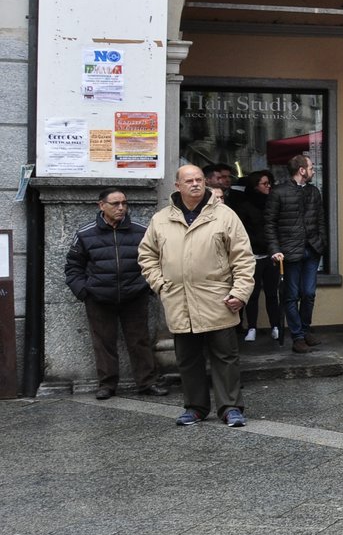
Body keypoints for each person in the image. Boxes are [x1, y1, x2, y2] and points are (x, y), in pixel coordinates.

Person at [137, 164, 255, 427]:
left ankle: (231, 408)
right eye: (188, 180)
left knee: (225, 357)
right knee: (188, 358)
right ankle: (195, 407)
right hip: (179, 299)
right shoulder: (161, 219)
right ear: (177, 186)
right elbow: (147, 256)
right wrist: (160, 284)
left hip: (218, 298)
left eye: (199, 179)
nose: (195, 184)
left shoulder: (225, 215)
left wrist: (240, 292)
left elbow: (243, 258)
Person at [65, 187, 159, 399]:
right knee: (103, 342)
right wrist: (84, 291)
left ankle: (147, 382)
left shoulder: (140, 231)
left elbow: (155, 261)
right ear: (101, 206)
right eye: (115, 204)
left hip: (134, 295)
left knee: (140, 341)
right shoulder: (85, 233)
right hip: (99, 297)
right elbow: (73, 267)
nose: (121, 208)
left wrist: (148, 287)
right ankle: (107, 384)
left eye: (124, 203)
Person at [265, 153, 325, 354]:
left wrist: (321, 243)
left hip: (312, 249)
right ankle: (298, 336)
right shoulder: (279, 192)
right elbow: (270, 224)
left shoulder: (314, 192)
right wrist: (275, 250)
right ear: (302, 170)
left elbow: (321, 220)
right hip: (289, 252)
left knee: (308, 294)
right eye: (311, 167)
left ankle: (305, 330)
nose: (313, 170)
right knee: (291, 296)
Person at [237, 170, 282, 344]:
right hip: (253, 255)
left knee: (272, 293)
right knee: (252, 294)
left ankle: (276, 326)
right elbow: (243, 231)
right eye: (264, 183)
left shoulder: (272, 203)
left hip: (271, 255)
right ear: (255, 186)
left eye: (269, 183)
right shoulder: (245, 206)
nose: (269, 186)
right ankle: (252, 328)